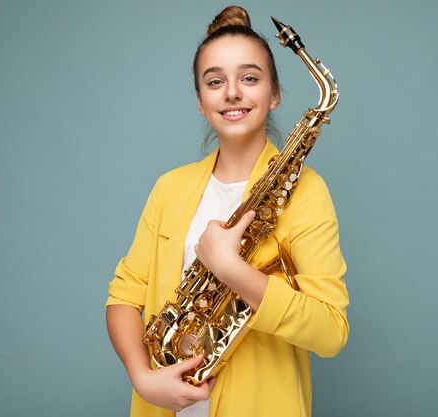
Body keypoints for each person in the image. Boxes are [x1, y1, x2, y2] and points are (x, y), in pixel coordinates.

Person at [106, 6, 349, 417]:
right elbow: (123, 296)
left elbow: (331, 333)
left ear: (273, 95)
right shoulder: (170, 187)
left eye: (249, 78)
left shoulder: (307, 191)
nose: (232, 92)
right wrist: (141, 377)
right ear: (201, 101)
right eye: (215, 81)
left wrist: (230, 269)